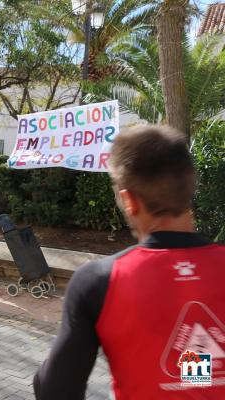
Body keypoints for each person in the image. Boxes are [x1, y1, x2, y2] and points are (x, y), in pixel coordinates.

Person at [34, 125, 225, 399]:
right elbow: (195, 376)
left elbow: (56, 391)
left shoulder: (99, 281)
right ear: (189, 188)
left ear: (129, 201)